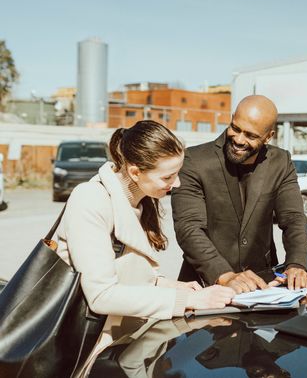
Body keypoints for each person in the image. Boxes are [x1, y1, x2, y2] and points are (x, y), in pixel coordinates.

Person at [55, 120, 235, 320]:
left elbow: (130, 274)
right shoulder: (90, 199)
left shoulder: (141, 200)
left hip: (123, 332)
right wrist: (186, 300)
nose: (177, 183)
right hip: (86, 341)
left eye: (177, 174)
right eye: (168, 177)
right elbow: (101, 295)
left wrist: (172, 286)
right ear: (135, 172)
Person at [172, 95, 307, 293]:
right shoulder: (194, 161)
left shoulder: (281, 162)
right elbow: (189, 228)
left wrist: (297, 264)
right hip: (204, 286)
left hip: (263, 287)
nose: (238, 140)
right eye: (235, 128)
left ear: (268, 136)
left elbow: (293, 218)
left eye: (250, 135)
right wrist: (225, 275)